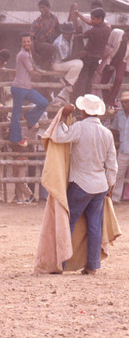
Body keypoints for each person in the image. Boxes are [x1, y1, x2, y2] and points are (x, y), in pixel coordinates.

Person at [55, 95, 117, 275]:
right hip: (100, 185)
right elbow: (112, 164)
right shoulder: (107, 133)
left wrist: (62, 118)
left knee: (69, 223)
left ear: (83, 111)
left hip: (80, 183)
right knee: (94, 225)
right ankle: (92, 265)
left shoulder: (79, 127)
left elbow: (60, 137)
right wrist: (110, 187)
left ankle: (62, 263)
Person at [10, 32, 48, 147]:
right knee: (16, 114)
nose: (27, 43)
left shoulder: (29, 52)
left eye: (28, 41)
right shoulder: (23, 55)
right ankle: (16, 138)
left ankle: (29, 118)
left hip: (26, 88)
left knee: (43, 103)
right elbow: (32, 73)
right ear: (21, 43)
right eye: (24, 42)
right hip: (18, 88)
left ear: (31, 42)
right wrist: (45, 73)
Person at [73, 8, 110, 99]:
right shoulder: (107, 28)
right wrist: (79, 15)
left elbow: (83, 36)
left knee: (82, 79)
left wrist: (74, 36)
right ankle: (86, 98)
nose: (91, 21)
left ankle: (77, 98)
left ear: (100, 18)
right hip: (96, 59)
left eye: (93, 19)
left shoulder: (93, 31)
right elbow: (89, 22)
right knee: (89, 80)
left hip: (87, 57)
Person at [51, 22, 83, 104]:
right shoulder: (59, 43)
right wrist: (79, 55)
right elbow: (65, 59)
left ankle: (62, 95)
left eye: (70, 33)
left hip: (66, 64)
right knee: (78, 63)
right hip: (58, 64)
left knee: (76, 72)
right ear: (63, 33)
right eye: (66, 34)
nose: (68, 35)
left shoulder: (72, 37)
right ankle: (65, 81)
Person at [100, 28, 129, 112]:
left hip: (122, 61)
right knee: (103, 81)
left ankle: (111, 100)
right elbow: (108, 46)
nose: (126, 39)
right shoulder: (116, 32)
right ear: (125, 33)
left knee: (119, 79)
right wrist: (108, 63)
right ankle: (107, 100)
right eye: (126, 36)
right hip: (110, 58)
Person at [110, 91, 129, 204]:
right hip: (123, 150)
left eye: (126, 102)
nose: (124, 104)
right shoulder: (119, 115)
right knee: (118, 175)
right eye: (123, 102)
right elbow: (115, 130)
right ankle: (115, 198)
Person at [30, 0, 60, 70]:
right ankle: (39, 65)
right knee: (51, 48)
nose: (41, 10)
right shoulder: (37, 21)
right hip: (38, 44)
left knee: (53, 49)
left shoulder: (54, 19)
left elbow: (58, 32)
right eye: (40, 8)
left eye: (43, 8)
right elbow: (31, 37)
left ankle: (44, 68)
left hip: (50, 44)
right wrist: (33, 52)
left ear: (49, 7)